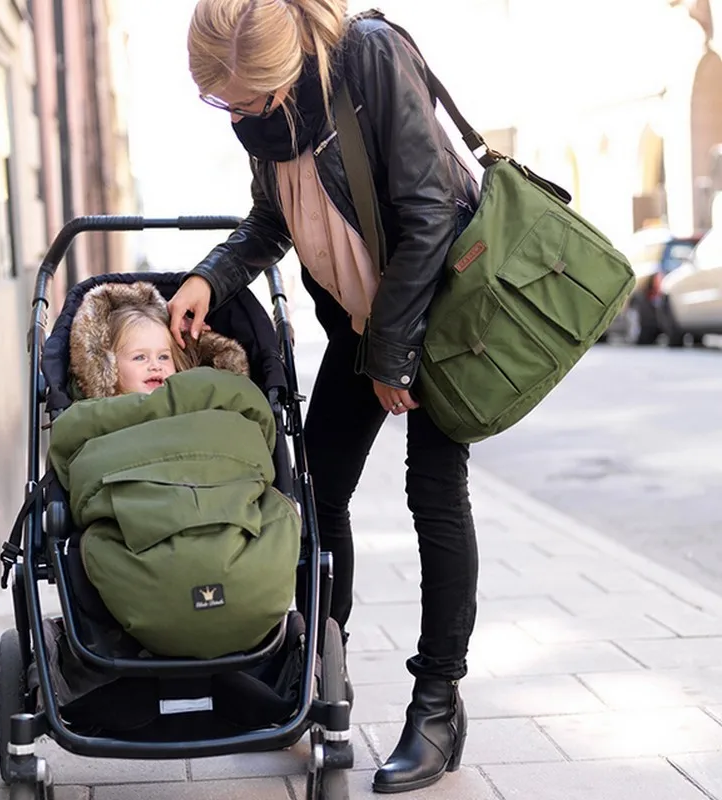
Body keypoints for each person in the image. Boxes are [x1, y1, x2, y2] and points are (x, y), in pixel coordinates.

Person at [168, 1, 481, 793]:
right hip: (361, 322)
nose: (233, 113)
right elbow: (272, 219)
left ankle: (437, 705)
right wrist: (211, 276)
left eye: (242, 97)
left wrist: (395, 356)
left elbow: (430, 210)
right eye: (220, 99)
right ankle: (318, 672)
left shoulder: (367, 57)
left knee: (433, 492)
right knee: (316, 492)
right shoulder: (262, 121)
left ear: (282, 68)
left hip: (439, 309)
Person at [69, 281, 248, 399]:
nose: (156, 366)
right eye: (140, 357)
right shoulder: (96, 417)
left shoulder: (197, 401)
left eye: (163, 357)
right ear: (108, 367)